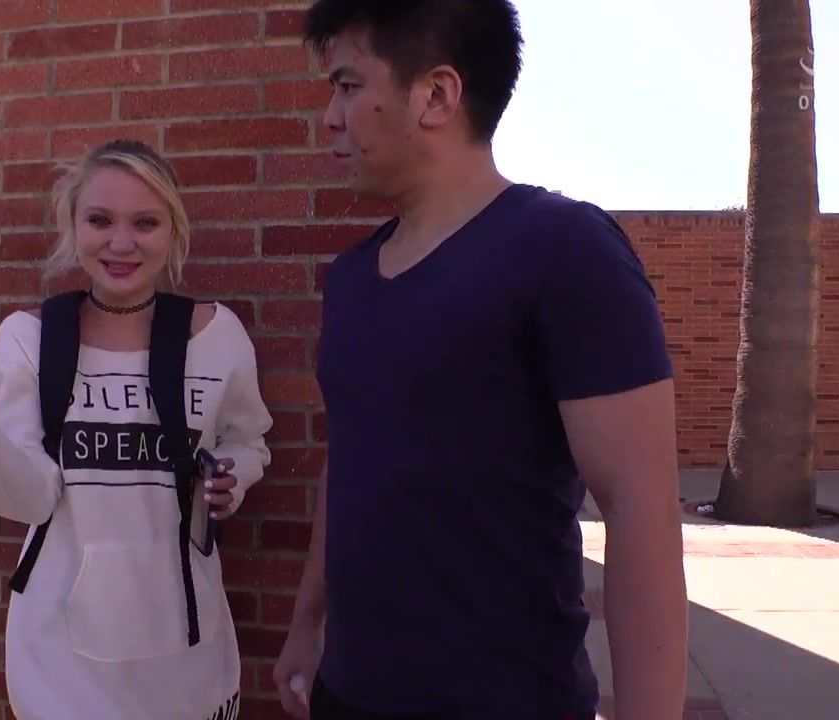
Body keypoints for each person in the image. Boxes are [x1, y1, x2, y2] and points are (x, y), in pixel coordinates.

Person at [272, 2, 689, 719]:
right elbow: (351, 460)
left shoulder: (566, 251)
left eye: (347, 86)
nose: (329, 118)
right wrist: (308, 622)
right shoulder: (350, 279)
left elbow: (639, 509)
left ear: (436, 95)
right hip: (348, 693)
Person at [0, 140, 272, 720]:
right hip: (60, 657)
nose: (121, 243)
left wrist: (233, 475)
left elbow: (248, 441)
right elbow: (30, 497)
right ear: (73, 224)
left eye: (145, 222)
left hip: (186, 651)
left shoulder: (218, 336)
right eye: (100, 220)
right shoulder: (30, 338)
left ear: (173, 230)